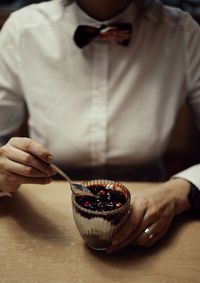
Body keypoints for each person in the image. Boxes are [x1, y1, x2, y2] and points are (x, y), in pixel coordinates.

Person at [0, 0, 200, 253]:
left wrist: (178, 192)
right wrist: (3, 170)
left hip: (151, 215)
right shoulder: (22, 30)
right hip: (45, 219)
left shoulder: (183, 33)